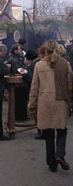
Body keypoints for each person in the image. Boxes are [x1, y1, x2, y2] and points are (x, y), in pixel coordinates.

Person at [28, 40, 73, 172]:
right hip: (61, 101)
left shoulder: (39, 66)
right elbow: (70, 85)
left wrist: (31, 105)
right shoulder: (66, 64)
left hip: (45, 102)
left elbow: (34, 87)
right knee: (61, 129)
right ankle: (60, 154)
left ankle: (51, 162)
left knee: (48, 133)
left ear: (45, 51)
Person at [7, 44, 28, 121]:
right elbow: (19, 69)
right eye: (19, 50)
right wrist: (27, 71)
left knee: (21, 99)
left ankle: (22, 116)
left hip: (19, 82)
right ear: (15, 51)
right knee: (19, 100)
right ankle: (20, 116)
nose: (21, 51)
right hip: (18, 83)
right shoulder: (14, 59)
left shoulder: (18, 58)